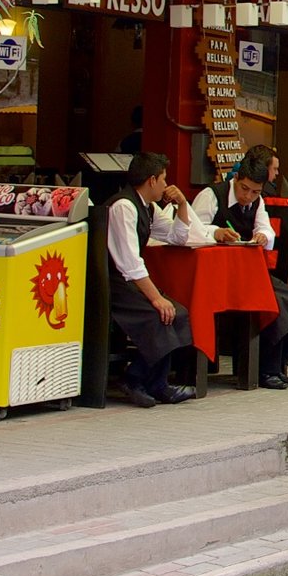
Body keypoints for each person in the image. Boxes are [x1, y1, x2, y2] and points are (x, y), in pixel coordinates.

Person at [188, 163, 288, 389]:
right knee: (273, 301)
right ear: (236, 179)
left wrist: (263, 235)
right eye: (244, 189)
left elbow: (266, 228)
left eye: (255, 192)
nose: (248, 196)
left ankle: (278, 364)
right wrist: (216, 232)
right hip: (214, 275)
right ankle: (265, 370)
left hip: (245, 273)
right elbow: (191, 230)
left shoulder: (257, 202)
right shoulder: (211, 196)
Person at [104, 153, 200, 408]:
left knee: (178, 313)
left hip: (131, 281)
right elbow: (128, 262)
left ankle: (157, 383)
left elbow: (176, 236)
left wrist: (181, 206)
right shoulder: (123, 206)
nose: (166, 184)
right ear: (152, 179)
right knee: (160, 313)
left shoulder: (148, 206)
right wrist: (156, 297)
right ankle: (134, 379)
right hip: (115, 284)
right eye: (164, 179)